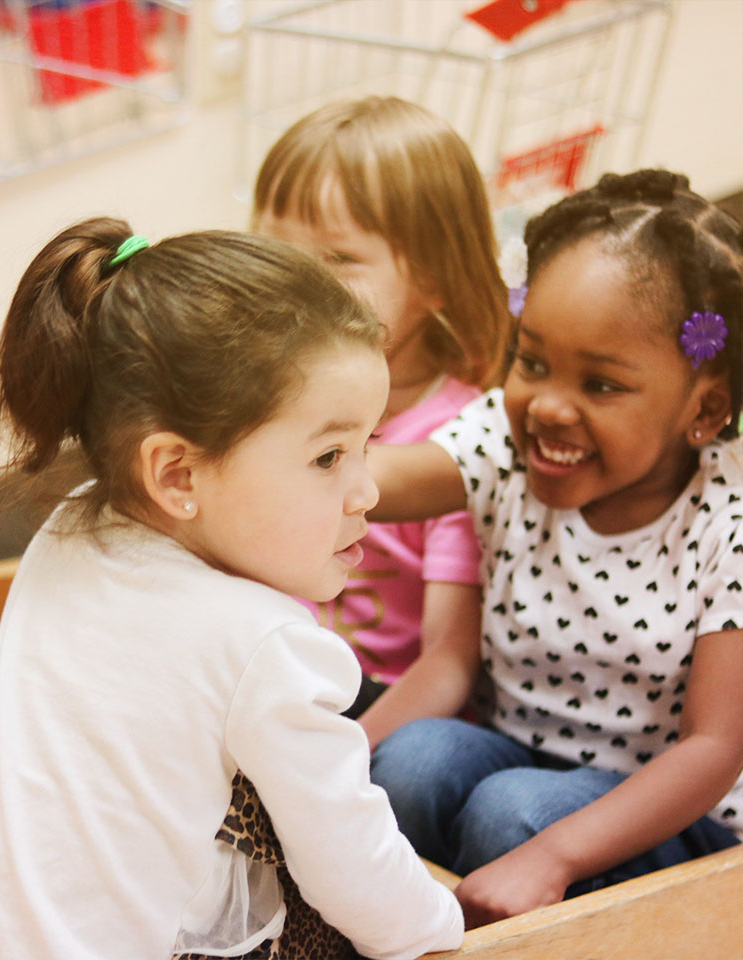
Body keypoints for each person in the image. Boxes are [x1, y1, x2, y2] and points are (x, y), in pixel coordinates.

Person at [0, 219, 464, 959]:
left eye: (370, 446)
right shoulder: (266, 645)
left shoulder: (75, 527)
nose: (366, 491)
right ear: (176, 474)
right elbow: (362, 879)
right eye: (329, 456)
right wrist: (455, 924)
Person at [365, 169, 743, 928]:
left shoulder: (727, 523)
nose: (549, 406)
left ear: (702, 409)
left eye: (601, 385)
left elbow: (714, 748)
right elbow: (382, 479)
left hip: (674, 812)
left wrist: (554, 855)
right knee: (411, 762)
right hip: (520, 753)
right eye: (531, 363)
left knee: (512, 816)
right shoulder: (507, 443)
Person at [252, 96, 512, 742]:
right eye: (273, 252)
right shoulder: (257, 408)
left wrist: (344, 760)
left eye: (338, 258)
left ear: (435, 278)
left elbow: (448, 663)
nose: (297, 285)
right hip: (274, 699)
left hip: (383, 725)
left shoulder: (459, 441)